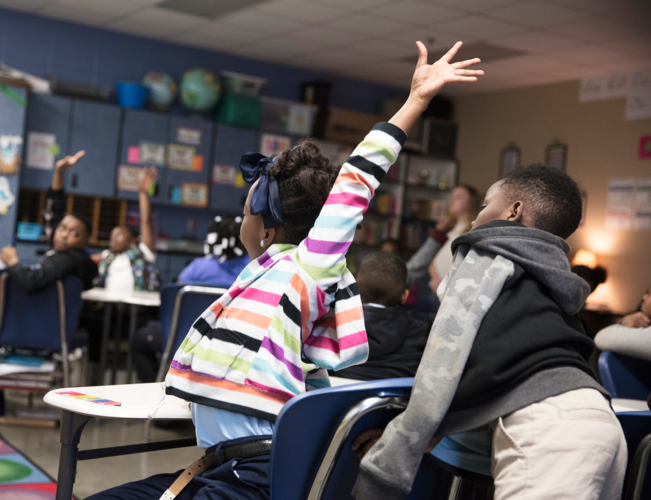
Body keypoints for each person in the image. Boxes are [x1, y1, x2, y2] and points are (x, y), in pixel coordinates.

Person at [87, 40, 482, 500]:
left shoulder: (307, 268)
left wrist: (414, 102)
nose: (240, 220)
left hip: (253, 476)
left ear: (266, 223)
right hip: (221, 467)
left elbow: (355, 182)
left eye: (245, 209)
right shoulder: (260, 272)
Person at [352, 165, 627, 500]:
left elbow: (443, 361)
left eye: (484, 205)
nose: (472, 220)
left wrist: (391, 459)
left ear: (513, 212)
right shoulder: (551, 279)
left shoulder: (487, 248)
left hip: (544, 425)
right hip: (600, 418)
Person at [0, 151, 98, 424]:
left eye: (74, 233)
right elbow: (56, 210)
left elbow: (31, 282)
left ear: (86, 241)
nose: (63, 233)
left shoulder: (67, 260)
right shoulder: (71, 257)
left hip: (37, 329)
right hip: (45, 327)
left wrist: (13, 261)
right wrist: (59, 172)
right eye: (62, 229)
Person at [130, 215, 250, 383]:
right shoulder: (252, 269)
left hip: (185, 338)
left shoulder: (197, 267)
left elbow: (176, 295)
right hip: (233, 343)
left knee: (141, 341)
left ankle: (157, 385)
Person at [334, 252, 433, 381]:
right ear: (405, 296)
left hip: (340, 399)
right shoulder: (425, 330)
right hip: (397, 401)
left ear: (355, 289)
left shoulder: (333, 327)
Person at [95, 167, 160, 293]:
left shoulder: (143, 253)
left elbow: (146, 220)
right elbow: (86, 258)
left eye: (119, 234)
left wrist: (142, 193)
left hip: (136, 308)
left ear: (133, 239)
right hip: (111, 306)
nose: (113, 238)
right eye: (112, 236)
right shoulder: (108, 255)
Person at [427, 184, 480, 291]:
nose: (451, 199)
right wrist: (436, 279)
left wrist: (446, 285)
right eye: (451, 196)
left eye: (458, 197)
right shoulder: (445, 228)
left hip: (452, 291)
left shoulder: (474, 232)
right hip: (434, 286)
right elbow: (429, 255)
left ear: (470, 203)